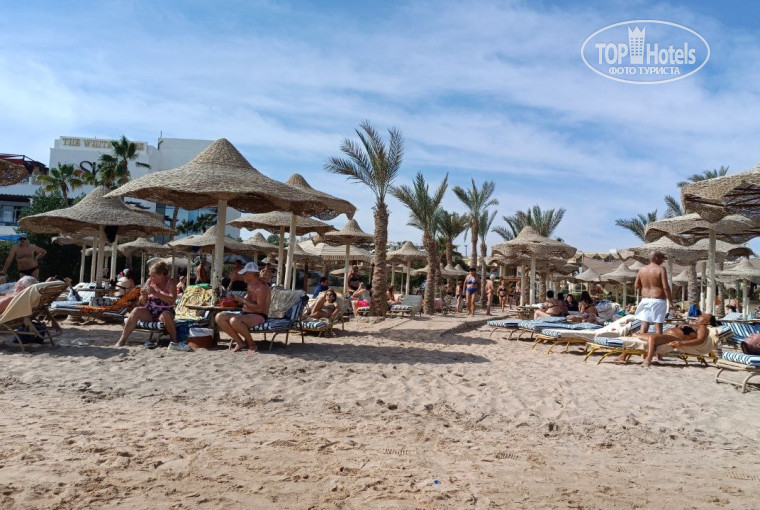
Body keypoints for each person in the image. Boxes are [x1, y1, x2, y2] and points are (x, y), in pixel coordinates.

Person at [115, 261, 177, 348]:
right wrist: (144, 296)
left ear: (161, 275)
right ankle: (122, 340)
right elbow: (142, 302)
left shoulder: (170, 282)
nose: (151, 278)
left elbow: (172, 300)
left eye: (153, 276)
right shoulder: (149, 281)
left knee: (165, 314)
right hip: (150, 311)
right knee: (136, 310)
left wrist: (155, 293)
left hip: (166, 312)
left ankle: (174, 342)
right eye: (150, 276)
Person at [216, 262, 271, 353]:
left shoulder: (261, 287)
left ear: (251, 274)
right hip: (245, 313)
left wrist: (242, 300)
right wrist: (234, 299)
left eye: (244, 274)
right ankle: (240, 342)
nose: (242, 276)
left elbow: (259, 309)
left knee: (235, 320)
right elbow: (248, 300)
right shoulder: (250, 284)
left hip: (259, 315)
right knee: (219, 317)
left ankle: (252, 344)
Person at [634, 313, 716, 367]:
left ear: (707, 322)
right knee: (635, 335)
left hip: (674, 338)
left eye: (703, 316)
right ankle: (625, 353)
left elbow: (700, 340)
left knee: (652, 338)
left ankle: (648, 360)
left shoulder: (702, 327)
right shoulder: (694, 325)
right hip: (665, 336)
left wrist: (681, 343)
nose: (700, 315)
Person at [633, 251, 673, 335]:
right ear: (656, 258)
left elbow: (636, 286)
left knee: (644, 324)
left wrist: (646, 285)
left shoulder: (642, 269)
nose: (663, 261)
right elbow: (665, 287)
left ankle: (641, 341)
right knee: (658, 326)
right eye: (662, 258)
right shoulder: (661, 269)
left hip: (645, 300)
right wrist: (670, 302)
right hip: (658, 300)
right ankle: (657, 343)